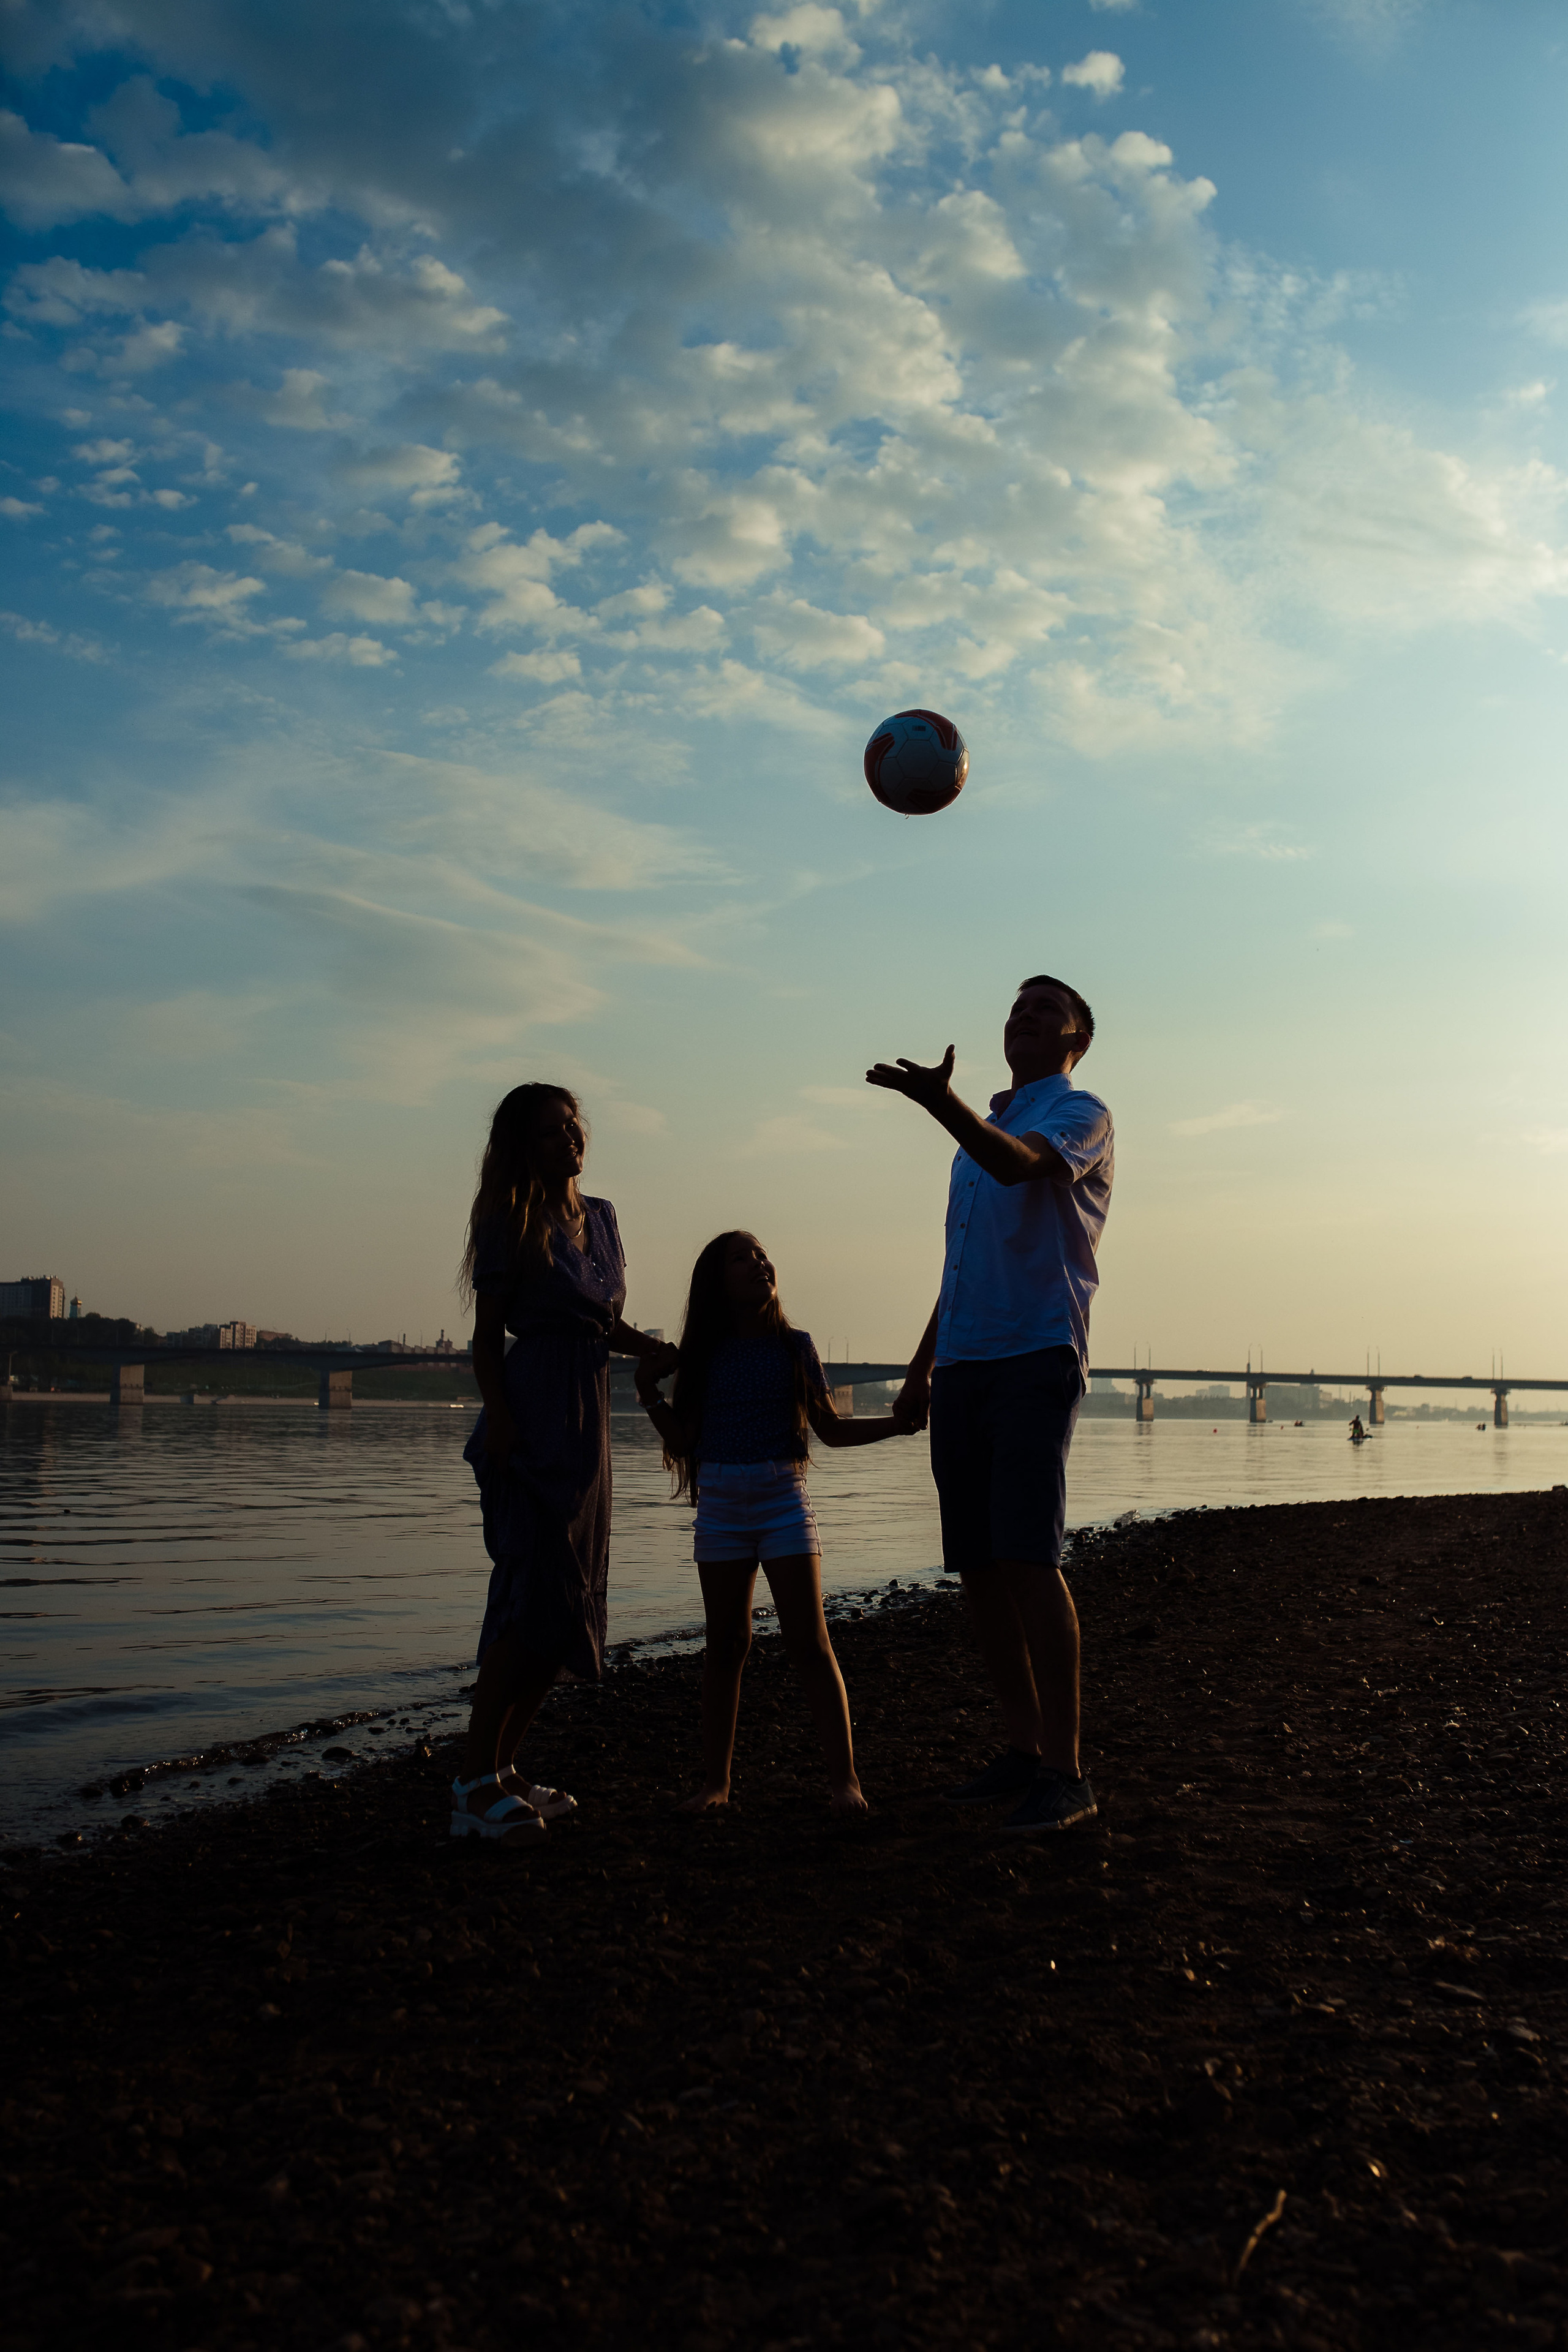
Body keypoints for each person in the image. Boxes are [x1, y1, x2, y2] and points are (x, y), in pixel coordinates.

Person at [867, 975, 1114, 1836]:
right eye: (1016, 1006)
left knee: (1028, 1558)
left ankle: (1066, 1769)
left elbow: (1020, 1167)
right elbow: (960, 1267)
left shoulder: (1079, 1115)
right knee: (976, 1566)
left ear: (1077, 1038)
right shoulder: (984, 1130)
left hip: (1036, 1356)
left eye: (1046, 1009)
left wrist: (942, 1105)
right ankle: (1020, 1747)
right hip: (967, 1365)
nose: (1025, 1016)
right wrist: (920, 1368)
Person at [451, 1084, 675, 1841]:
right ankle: (473, 1784)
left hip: (589, 1418)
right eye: (547, 1133)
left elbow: (598, 1323)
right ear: (522, 1146)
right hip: (536, 1410)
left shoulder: (603, 1217)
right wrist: (506, 1422)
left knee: (571, 1598)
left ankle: (507, 1768)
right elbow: (488, 1340)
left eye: (571, 1126)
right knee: (530, 1594)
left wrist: (645, 1347)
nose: (566, 1140)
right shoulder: (506, 1216)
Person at [635, 1231, 913, 1817]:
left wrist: (899, 1425)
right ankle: (717, 1784)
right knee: (726, 1646)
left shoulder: (795, 1347)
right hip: (721, 1508)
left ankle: (846, 1783)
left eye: (761, 1255)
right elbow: (685, 1441)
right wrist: (650, 1398)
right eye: (742, 1259)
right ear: (718, 1282)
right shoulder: (703, 1355)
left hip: (784, 1500)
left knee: (810, 1643)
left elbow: (831, 1430)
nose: (759, 1264)